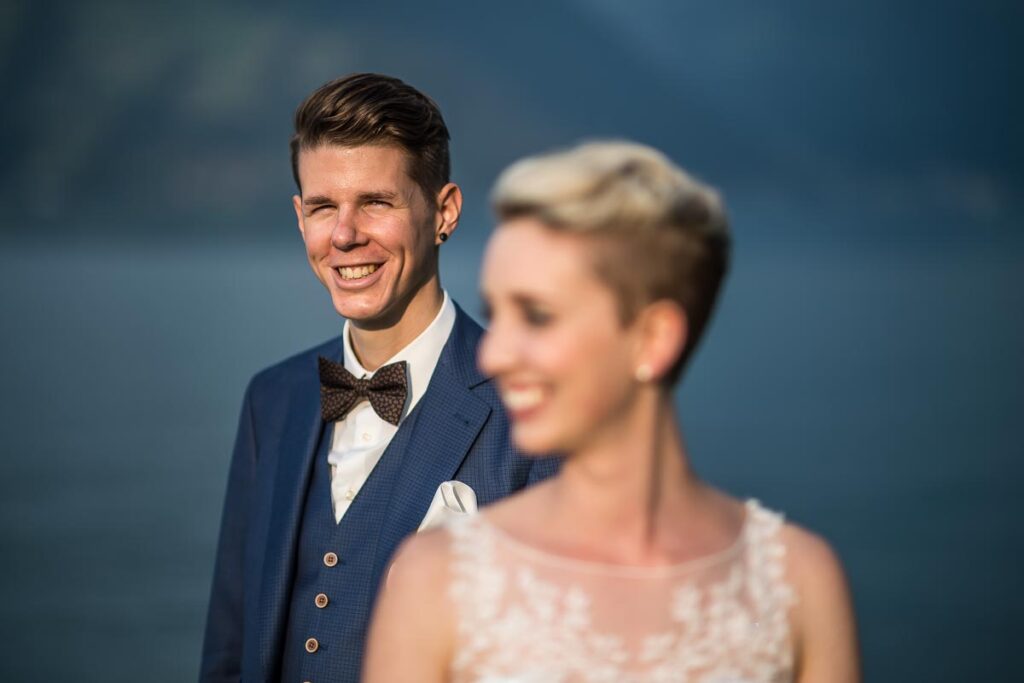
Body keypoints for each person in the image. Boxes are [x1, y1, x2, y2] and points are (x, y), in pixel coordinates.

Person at [364, 141, 860, 682]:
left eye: (537, 315)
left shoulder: (797, 585)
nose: (494, 354)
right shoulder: (435, 581)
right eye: (494, 314)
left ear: (652, 338)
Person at [199, 73, 555, 683]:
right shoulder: (272, 400)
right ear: (299, 216)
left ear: (443, 212)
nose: (344, 235)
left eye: (375, 202)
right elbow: (230, 652)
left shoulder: (537, 410)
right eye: (322, 207)